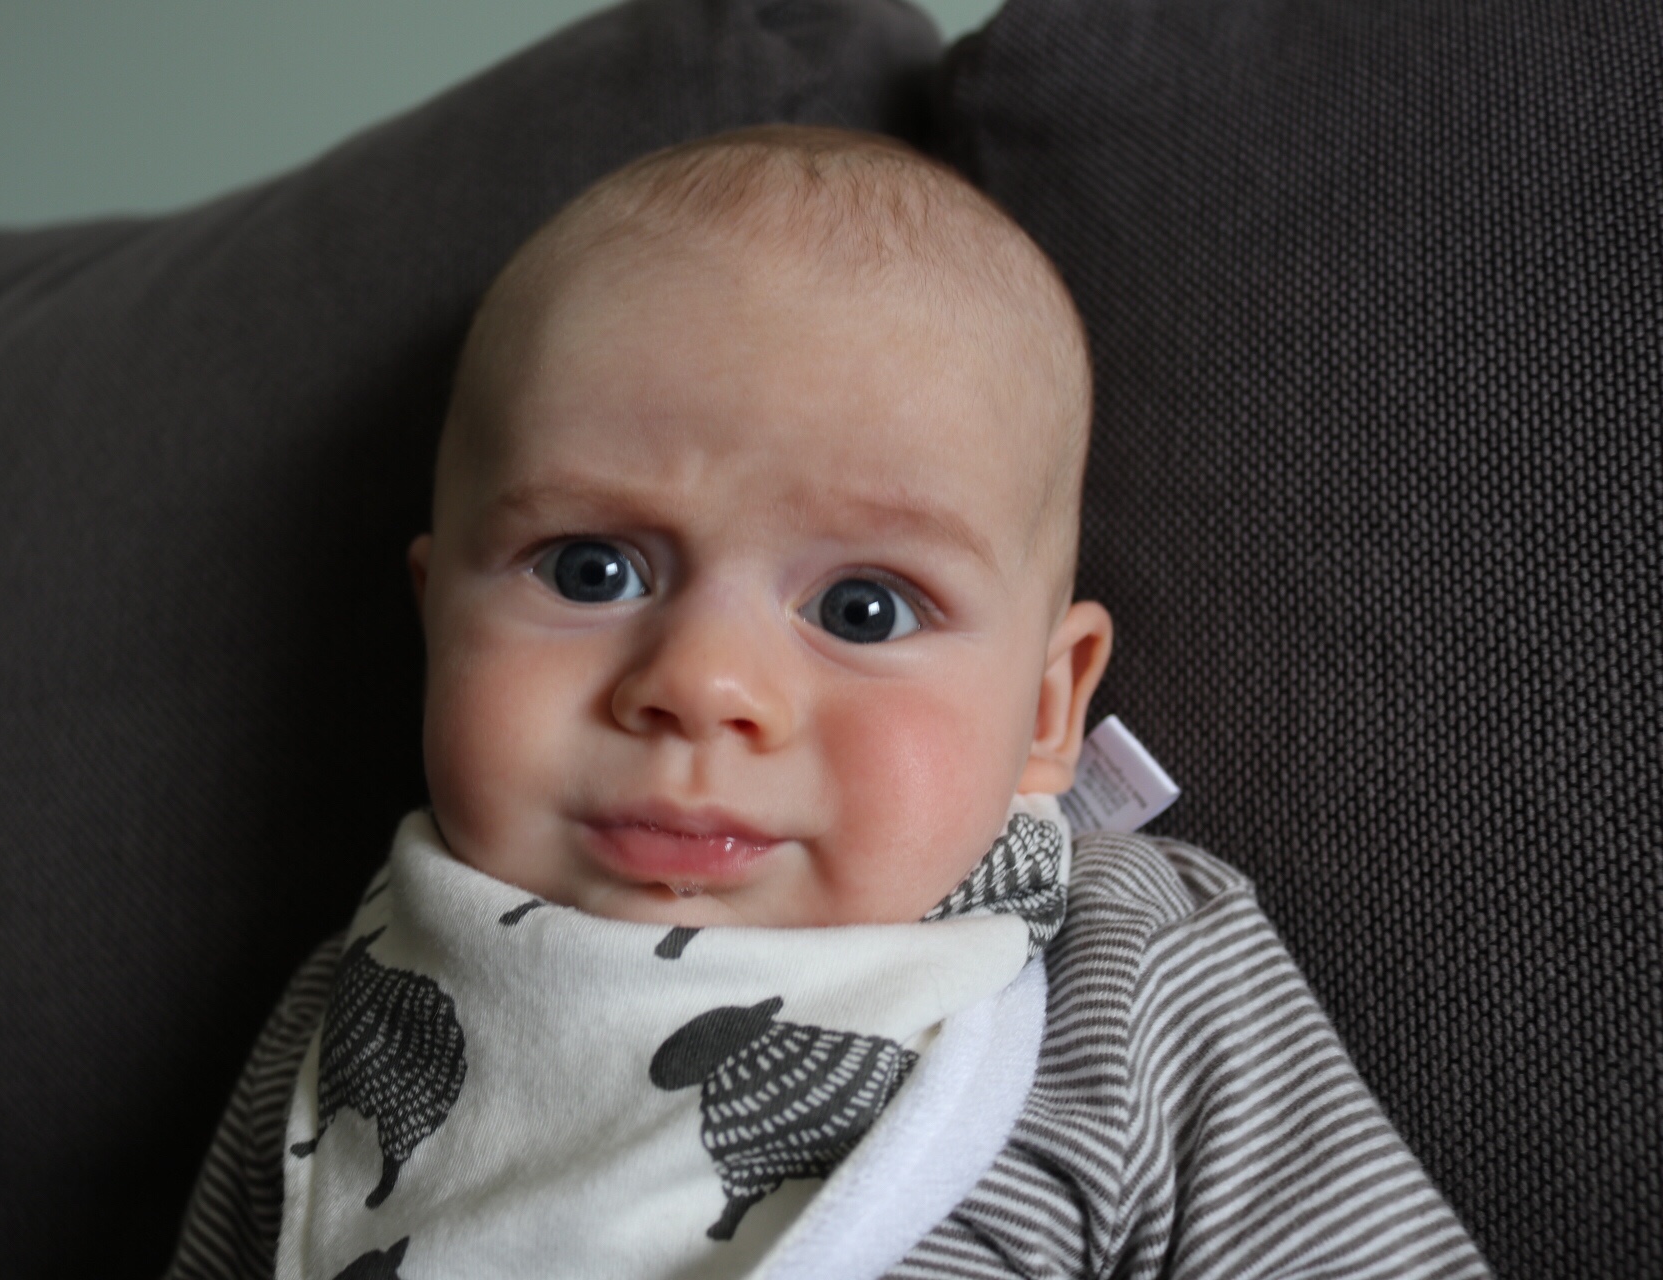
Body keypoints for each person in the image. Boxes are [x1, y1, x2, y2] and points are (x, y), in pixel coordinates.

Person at [167, 126, 1489, 1279]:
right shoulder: (363, 993)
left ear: (1046, 712)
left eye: (865, 609)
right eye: (590, 570)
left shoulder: (1123, 975)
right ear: (436, 625)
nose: (700, 686)